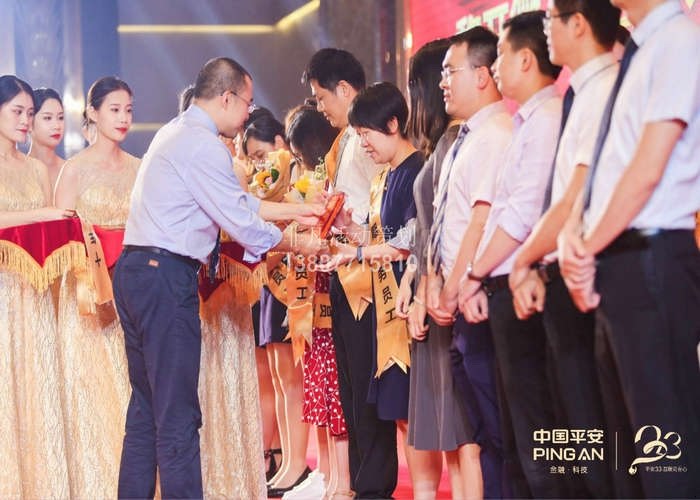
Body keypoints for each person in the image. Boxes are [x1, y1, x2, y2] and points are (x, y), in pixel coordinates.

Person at [113, 57, 324, 498]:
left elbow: (239, 204)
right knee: (177, 416)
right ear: (227, 97)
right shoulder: (202, 145)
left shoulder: (176, 132)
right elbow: (241, 221)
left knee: (147, 411)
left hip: (138, 272)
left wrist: (300, 211)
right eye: (247, 102)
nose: (249, 113)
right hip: (164, 277)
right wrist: (298, 242)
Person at [559, 1, 700, 497]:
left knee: (666, 451)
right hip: (620, 263)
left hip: (652, 261)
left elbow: (647, 169)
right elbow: (613, 167)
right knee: (632, 450)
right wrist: (582, 244)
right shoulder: (641, 48)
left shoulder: (679, 40)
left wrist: (585, 247)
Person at [506, 2, 626, 497]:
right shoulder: (580, 92)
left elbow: (575, 196)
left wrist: (523, 258)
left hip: (592, 271)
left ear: (578, 24)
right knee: (576, 430)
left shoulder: (603, 89)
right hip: (562, 274)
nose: (546, 30)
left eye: (551, 18)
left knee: (596, 429)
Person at [457, 11, 566, 498]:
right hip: (503, 285)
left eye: (500, 55)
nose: (496, 67)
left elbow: (521, 216)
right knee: (517, 432)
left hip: (526, 285)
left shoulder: (547, 119)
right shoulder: (527, 121)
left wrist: (473, 274)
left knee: (537, 430)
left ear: (525, 59)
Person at [319, 81, 421, 499]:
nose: (363, 144)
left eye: (366, 134)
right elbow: (380, 237)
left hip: (408, 304)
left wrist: (358, 252)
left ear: (393, 124)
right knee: (397, 412)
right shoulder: (385, 177)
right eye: (358, 135)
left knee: (412, 414)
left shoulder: (416, 171)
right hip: (387, 307)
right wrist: (348, 230)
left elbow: (406, 243)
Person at [424, 27, 514, 499]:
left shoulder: (496, 134)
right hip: (463, 300)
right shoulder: (467, 137)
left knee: (497, 429)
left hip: (482, 297)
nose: (442, 82)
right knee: (483, 429)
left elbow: (480, 220)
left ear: (482, 75)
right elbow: (448, 220)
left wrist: (453, 286)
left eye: (449, 71)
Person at [302, 48, 390, 499]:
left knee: (366, 389)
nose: (321, 109)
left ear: (343, 89)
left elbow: (383, 210)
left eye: (322, 98)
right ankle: (359, 481)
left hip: (365, 277)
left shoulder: (367, 138)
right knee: (351, 387)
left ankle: (372, 484)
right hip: (345, 269)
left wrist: (351, 229)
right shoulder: (346, 141)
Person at [396, 38, 477, 500]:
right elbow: (426, 229)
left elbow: (455, 227)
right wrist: (414, 280)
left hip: (450, 296)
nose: (443, 85)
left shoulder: (460, 142)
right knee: (449, 432)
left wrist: (429, 286)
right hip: (432, 293)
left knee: (464, 431)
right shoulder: (442, 144)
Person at [53, 76, 139, 498]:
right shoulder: (74, 170)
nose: (123, 118)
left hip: (134, 297)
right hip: (88, 299)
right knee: (96, 396)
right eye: (114, 110)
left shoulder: (140, 168)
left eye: (129, 110)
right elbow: (60, 241)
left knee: (134, 393)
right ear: (93, 112)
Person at [0, 74, 73, 498]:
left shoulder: (35, 169)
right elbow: (43, 216)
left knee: (38, 386)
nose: (25, 120)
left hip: (36, 293)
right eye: (17, 112)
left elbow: (53, 227)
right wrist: (39, 215)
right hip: (2, 293)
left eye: (30, 112)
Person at [241, 110, 313, 498]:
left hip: (295, 285)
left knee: (293, 380)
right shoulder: (265, 188)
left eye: (261, 155)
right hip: (271, 282)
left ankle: (297, 462)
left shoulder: (301, 182)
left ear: (281, 144)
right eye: (252, 159)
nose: (259, 166)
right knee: (279, 377)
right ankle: (287, 461)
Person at [281, 104, 350, 500]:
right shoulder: (311, 184)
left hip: (332, 291)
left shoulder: (332, 182)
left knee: (333, 386)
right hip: (312, 296)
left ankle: (341, 479)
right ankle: (328, 474)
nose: (298, 163)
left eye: (300, 154)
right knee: (319, 386)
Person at [28, 87, 64, 189]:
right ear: (29, 122)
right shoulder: (17, 169)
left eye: (60, 118)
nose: (57, 126)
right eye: (48, 118)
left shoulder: (69, 169)